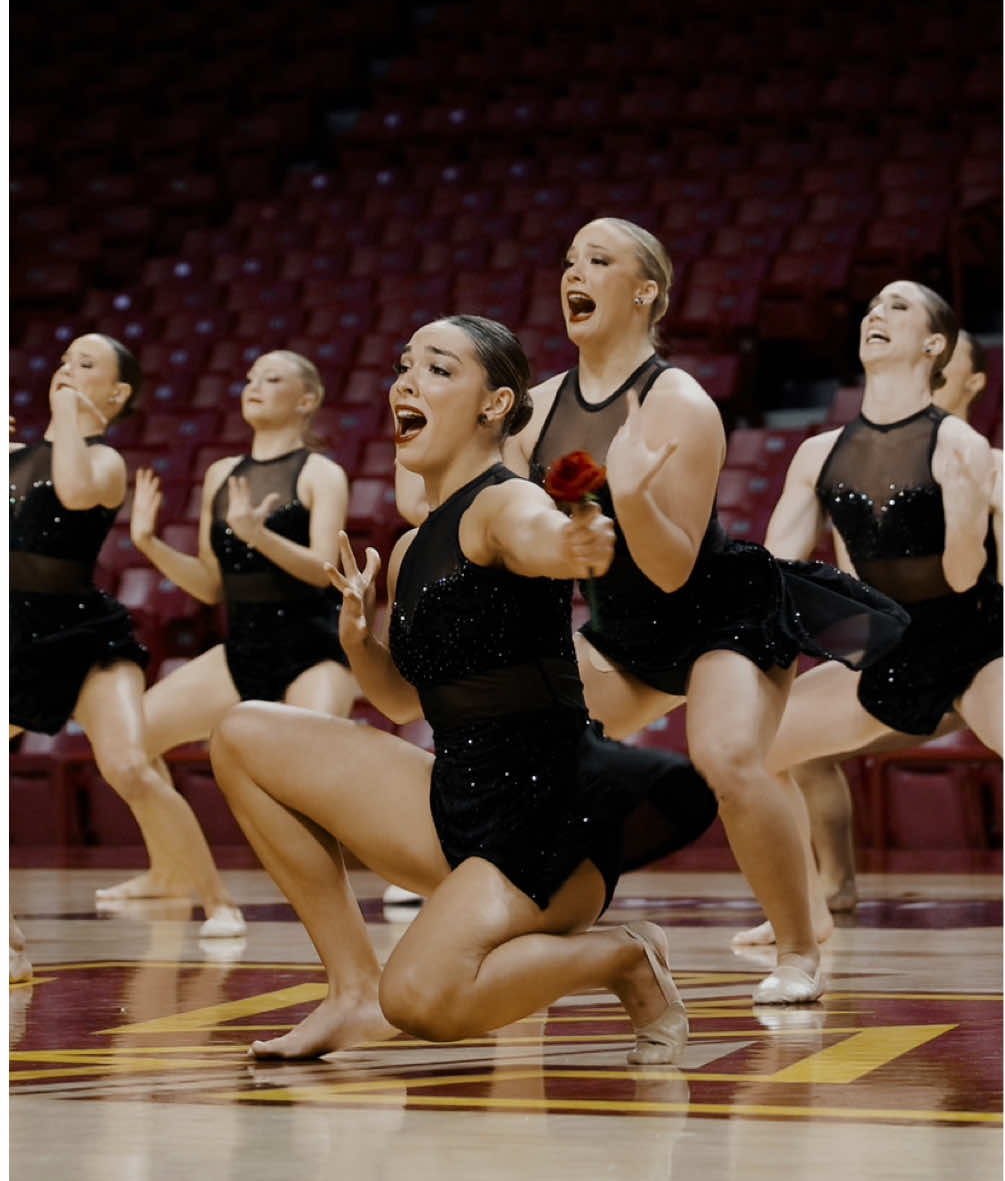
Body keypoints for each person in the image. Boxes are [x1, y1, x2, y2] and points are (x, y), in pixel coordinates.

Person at [210, 315, 718, 1061]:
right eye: (403, 366)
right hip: (456, 801)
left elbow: (543, 536)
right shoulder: (412, 545)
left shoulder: (504, 504)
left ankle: (623, 955)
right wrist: (357, 642)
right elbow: (400, 702)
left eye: (438, 369)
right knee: (241, 733)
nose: (406, 383)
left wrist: (575, 540)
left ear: (494, 404)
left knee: (418, 999)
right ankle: (350, 991)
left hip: (546, 826)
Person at [490, 218, 907, 1004]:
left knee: (727, 758)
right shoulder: (537, 409)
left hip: (721, 616)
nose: (573, 271)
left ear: (644, 291)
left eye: (598, 259)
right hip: (623, 633)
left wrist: (631, 494)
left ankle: (798, 948)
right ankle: (532, 918)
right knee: (521, 731)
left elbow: (672, 566)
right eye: (569, 258)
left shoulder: (679, 401)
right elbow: (513, 532)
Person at [745, 319, 1002, 931]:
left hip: (982, 652)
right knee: (770, 739)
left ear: (971, 381)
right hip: (892, 656)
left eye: (944, 364)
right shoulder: (846, 461)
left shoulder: (990, 466)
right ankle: (827, 890)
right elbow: (786, 570)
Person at [9, 333, 245, 978]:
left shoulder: (105, 460)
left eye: (84, 365)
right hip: (16, 637)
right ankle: (9, 939)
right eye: (63, 361)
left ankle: (218, 901)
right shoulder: (15, 457)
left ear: (115, 394)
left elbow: (72, 490)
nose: (65, 371)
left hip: (83, 637)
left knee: (131, 768)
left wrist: (64, 413)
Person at [97, 349, 361, 905]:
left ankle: (396, 873)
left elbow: (325, 569)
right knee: (129, 741)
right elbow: (211, 585)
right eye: (249, 377)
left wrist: (257, 535)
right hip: (242, 648)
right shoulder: (221, 474)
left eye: (272, 378)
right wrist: (149, 544)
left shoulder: (321, 473)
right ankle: (171, 871)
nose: (253, 385)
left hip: (313, 649)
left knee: (310, 775)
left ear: (307, 399)